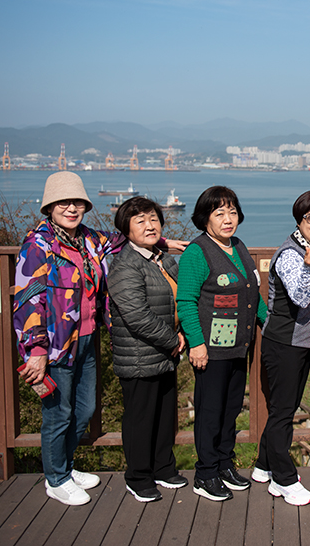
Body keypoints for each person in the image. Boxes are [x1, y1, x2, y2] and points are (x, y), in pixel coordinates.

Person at [13, 172, 185, 506]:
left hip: (88, 337)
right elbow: (28, 298)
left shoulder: (90, 239)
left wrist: (163, 243)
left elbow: (127, 237)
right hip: (55, 343)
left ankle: (66, 466)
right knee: (58, 412)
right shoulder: (38, 245)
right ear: (49, 207)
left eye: (77, 202)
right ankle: (56, 478)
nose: (71, 208)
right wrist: (35, 348)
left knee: (84, 408)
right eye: (63, 203)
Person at [176, 186, 267, 502]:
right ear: (205, 218)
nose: (228, 219)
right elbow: (186, 301)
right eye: (219, 213)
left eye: (232, 212)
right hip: (211, 350)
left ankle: (225, 463)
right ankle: (206, 473)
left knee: (231, 409)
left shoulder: (238, 246)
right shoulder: (197, 252)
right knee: (210, 411)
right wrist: (197, 344)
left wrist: (268, 323)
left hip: (238, 346)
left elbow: (252, 294)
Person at [252, 190, 310, 506]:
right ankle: (283, 478)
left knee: (283, 407)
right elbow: (301, 297)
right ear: (299, 220)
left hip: (299, 342)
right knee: (284, 412)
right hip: (284, 342)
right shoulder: (291, 254)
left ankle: (263, 465)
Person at [107, 197, 189, 503]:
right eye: (140, 221)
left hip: (165, 352)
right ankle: (138, 476)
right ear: (126, 229)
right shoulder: (126, 265)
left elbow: (179, 299)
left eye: (153, 219)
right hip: (140, 354)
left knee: (164, 414)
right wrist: (173, 340)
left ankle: (163, 467)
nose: (149, 225)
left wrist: (179, 335)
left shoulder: (162, 259)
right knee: (140, 418)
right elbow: (137, 316)